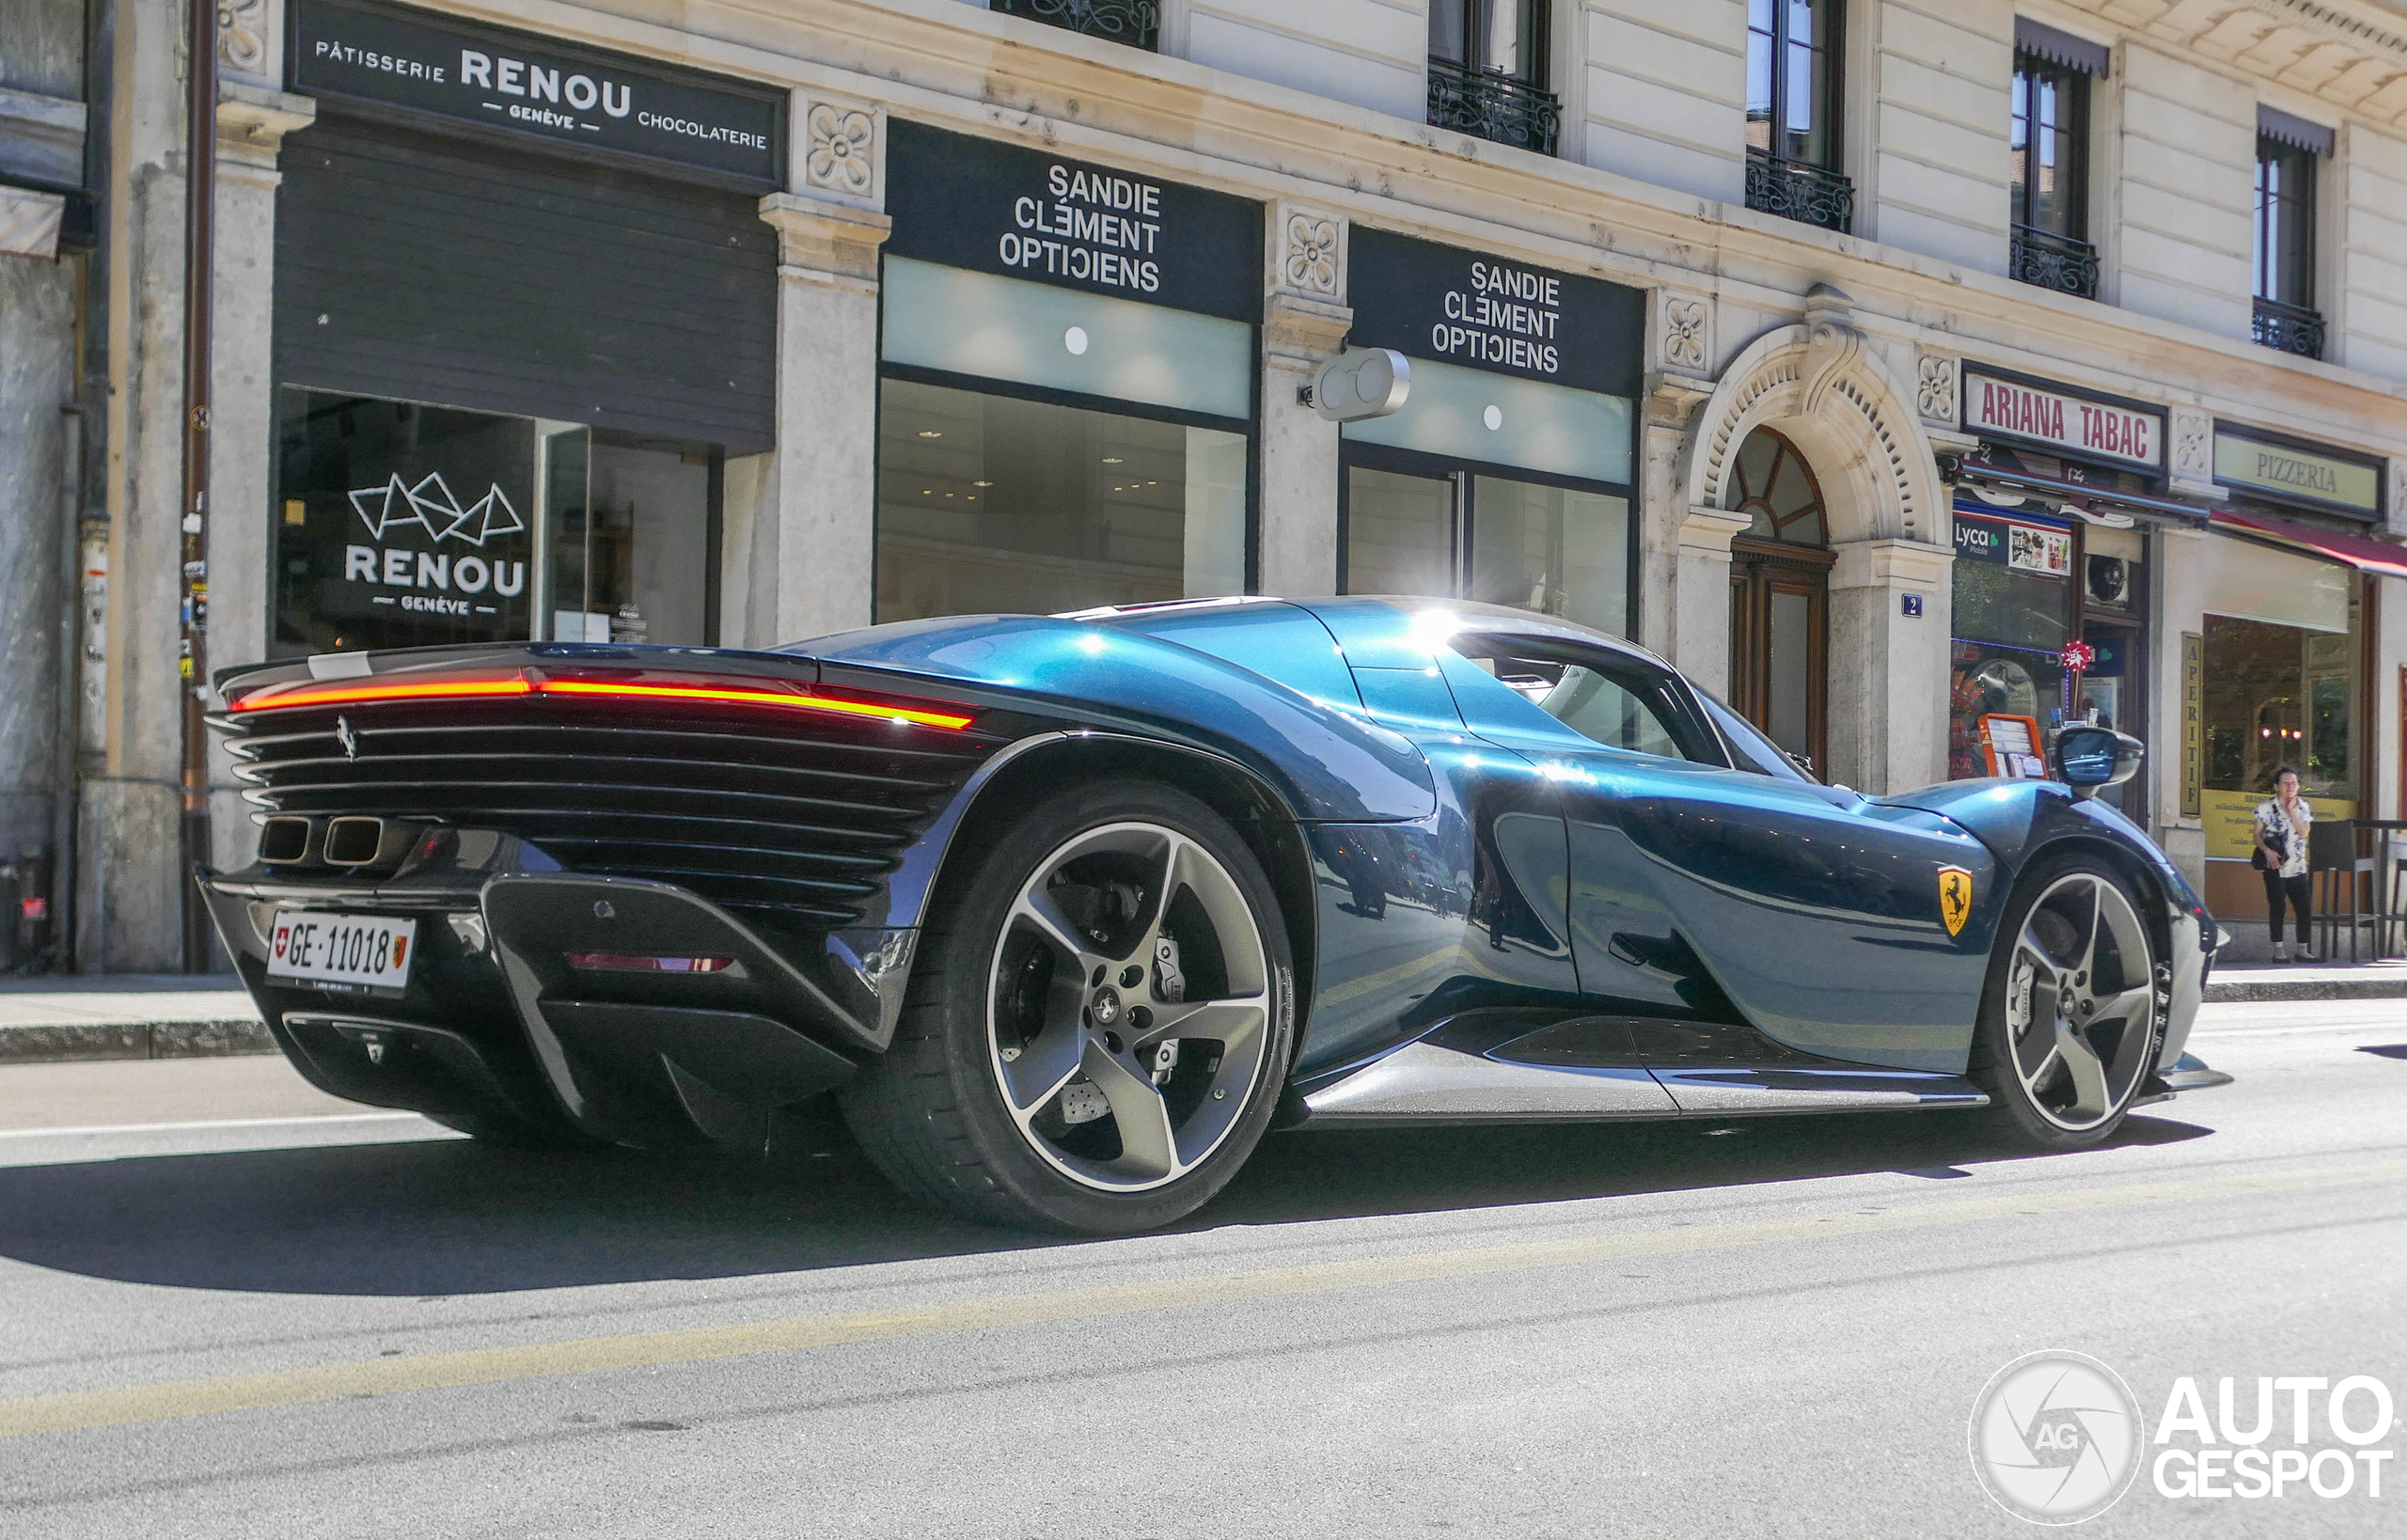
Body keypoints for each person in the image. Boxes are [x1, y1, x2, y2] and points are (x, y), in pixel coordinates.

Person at [2255, 766, 2315, 962]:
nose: (2290, 786)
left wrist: (2291, 811)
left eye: (2293, 783)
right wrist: (2266, 850)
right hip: (2275, 864)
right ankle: (2278, 950)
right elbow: (2257, 834)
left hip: (2297, 865)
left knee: (2304, 907)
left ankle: (2302, 949)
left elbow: (2304, 832)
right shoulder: (2266, 807)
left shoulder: (2302, 806)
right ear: (2276, 786)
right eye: (2285, 783)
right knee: (2277, 906)